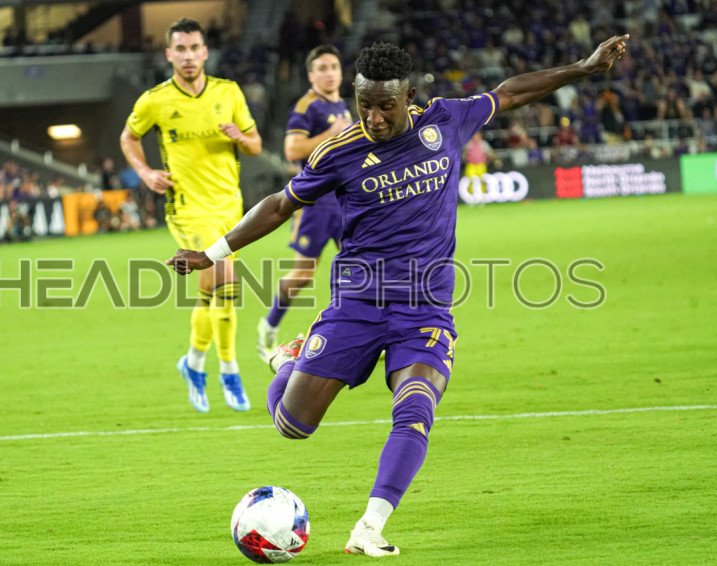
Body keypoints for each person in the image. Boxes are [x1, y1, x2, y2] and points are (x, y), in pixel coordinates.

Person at [168, 35, 630, 556]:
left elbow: (512, 92)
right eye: (363, 104)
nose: (374, 117)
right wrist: (212, 253)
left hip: (424, 309)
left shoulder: (447, 120)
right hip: (357, 304)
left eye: (385, 106)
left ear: (408, 97)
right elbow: (279, 205)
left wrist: (584, 67)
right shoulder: (339, 152)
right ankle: (288, 361)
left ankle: (370, 526)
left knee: (415, 406)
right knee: (292, 426)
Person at [120, 17, 262, 413]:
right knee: (225, 280)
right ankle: (230, 370)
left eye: (194, 48)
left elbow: (255, 144)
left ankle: (194, 364)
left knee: (211, 292)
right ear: (169, 54)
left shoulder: (228, 92)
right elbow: (128, 137)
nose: (188, 56)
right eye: (180, 49)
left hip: (228, 206)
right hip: (187, 209)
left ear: (205, 52)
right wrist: (145, 172)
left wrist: (240, 137)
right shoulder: (155, 101)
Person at [257, 44, 352, 361]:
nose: (329, 73)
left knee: (362, 264)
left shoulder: (340, 105)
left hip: (343, 199)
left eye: (334, 67)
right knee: (303, 274)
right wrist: (330, 134)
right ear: (311, 75)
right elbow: (292, 150)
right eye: (322, 68)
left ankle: (366, 333)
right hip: (315, 203)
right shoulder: (306, 107)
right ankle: (269, 326)